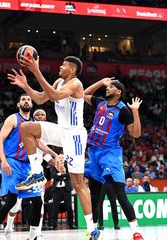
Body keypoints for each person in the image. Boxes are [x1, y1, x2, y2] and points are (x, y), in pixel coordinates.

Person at [8, 56, 100, 238]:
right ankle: (36, 173)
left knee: (78, 183)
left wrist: (36, 70)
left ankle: (92, 227)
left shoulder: (76, 84)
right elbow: (42, 99)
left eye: (64, 65)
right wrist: (26, 86)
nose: (60, 66)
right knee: (26, 128)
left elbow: (55, 96)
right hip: (61, 130)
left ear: (72, 70)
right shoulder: (58, 81)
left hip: (75, 135)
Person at [0, 96, 56, 240]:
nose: (26, 101)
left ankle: (32, 236)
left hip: (28, 165)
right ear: (18, 104)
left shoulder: (33, 124)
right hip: (12, 162)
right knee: (11, 200)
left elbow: (39, 144)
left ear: (31, 104)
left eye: (29, 100)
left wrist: (55, 155)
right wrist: (3, 161)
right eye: (23, 99)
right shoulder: (13, 119)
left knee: (38, 201)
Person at [83, 77, 144, 240]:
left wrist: (135, 111)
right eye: (107, 87)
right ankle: (93, 231)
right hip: (94, 153)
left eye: (110, 87)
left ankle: (136, 231)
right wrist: (100, 82)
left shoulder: (123, 110)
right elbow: (83, 94)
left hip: (110, 154)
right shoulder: (100, 103)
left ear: (118, 92)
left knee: (119, 193)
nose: (107, 88)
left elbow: (136, 134)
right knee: (94, 195)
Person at [4, 108, 57, 240]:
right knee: (16, 203)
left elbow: (44, 153)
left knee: (40, 201)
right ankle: (9, 225)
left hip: (37, 171)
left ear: (45, 118)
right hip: (23, 167)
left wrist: (54, 161)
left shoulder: (46, 133)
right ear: (33, 118)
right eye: (37, 114)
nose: (40, 116)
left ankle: (37, 231)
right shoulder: (28, 128)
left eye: (42, 114)